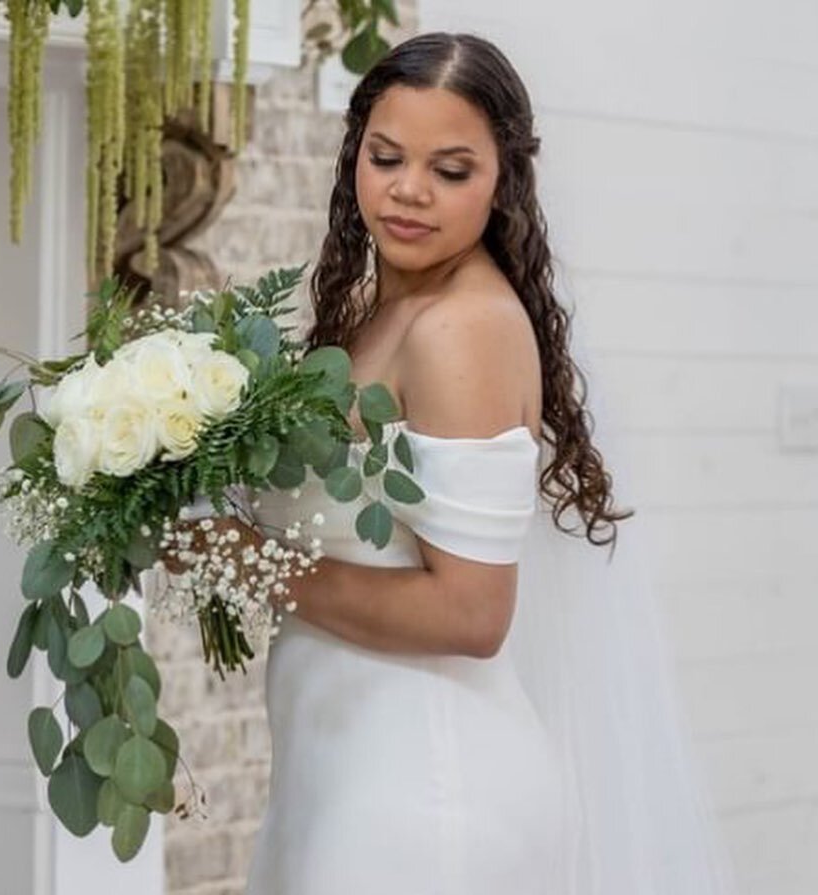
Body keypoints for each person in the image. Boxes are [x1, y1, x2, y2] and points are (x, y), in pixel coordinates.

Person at [233, 30, 739, 895]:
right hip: (351, 774)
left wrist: (252, 562)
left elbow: (470, 611)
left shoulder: (461, 328)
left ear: (503, 178)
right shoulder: (384, 312)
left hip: (426, 798)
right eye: (386, 156)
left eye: (451, 169)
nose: (408, 191)